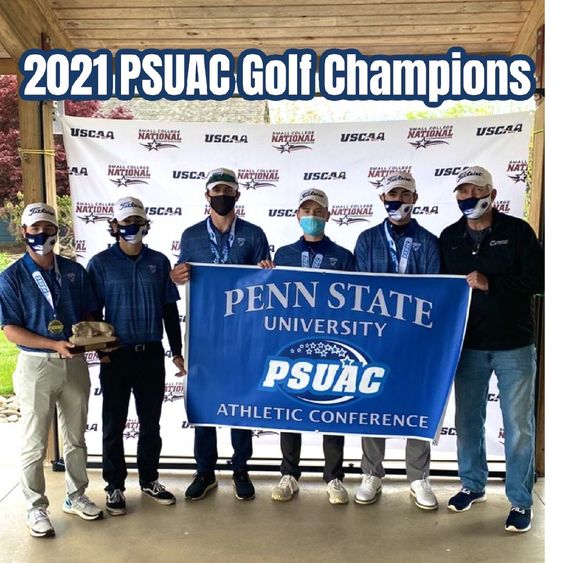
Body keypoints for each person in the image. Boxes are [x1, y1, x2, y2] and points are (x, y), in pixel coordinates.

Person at [439, 166, 543, 533]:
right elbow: (437, 288)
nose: (467, 197)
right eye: (461, 191)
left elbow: (540, 279)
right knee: (467, 422)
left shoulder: (517, 232)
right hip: (467, 345)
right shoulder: (449, 236)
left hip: (514, 343)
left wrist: (491, 283)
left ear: (492, 193)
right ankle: (472, 484)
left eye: (474, 190)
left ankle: (520, 501)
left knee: (518, 426)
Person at [0, 203, 103, 538]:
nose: (41, 235)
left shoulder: (74, 271)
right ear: (24, 233)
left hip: (74, 363)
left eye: (47, 229)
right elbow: (10, 330)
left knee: (75, 437)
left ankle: (75, 496)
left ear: (57, 232)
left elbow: (89, 313)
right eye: (34, 230)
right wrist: (52, 344)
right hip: (37, 365)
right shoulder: (11, 277)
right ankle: (35, 508)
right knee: (33, 441)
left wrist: (98, 342)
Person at [170, 167, 270, 501]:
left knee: (241, 400)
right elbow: (181, 275)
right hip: (204, 331)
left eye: (228, 190)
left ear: (237, 195)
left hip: (244, 332)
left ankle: (241, 468)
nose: (222, 195)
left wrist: (268, 272)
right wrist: (176, 275)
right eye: (216, 190)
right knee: (204, 401)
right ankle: (205, 471)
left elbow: (267, 283)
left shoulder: (254, 234)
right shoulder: (191, 235)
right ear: (207, 196)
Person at [87, 196, 186, 516]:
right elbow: (92, 312)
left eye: (137, 222)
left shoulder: (159, 261)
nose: (132, 227)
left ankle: (149, 479)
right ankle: (114, 486)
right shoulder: (100, 263)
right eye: (125, 222)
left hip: (150, 354)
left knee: (150, 423)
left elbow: (170, 309)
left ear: (145, 224)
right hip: (115, 355)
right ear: (114, 226)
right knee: (113, 423)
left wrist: (177, 352)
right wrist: (100, 351)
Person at [258, 188, 355, 505]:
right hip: (292, 341)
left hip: (333, 341)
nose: (312, 216)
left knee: (332, 407)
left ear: (328, 215)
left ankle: (335, 477)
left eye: (318, 210)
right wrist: (263, 277)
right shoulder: (283, 255)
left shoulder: (343, 256)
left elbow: (356, 298)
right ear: (297, 215)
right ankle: (289, 474)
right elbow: (272, 297)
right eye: (306, 210)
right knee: (291, 406)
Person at [353, 171, 440, 510]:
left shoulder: (429, 242)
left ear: (414, 199)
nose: (397, 201)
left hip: (416, 339)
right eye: (392, 195)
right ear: (381, 199)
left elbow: (434, 293)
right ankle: (371, 474)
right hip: (374, 339)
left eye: (404, 195)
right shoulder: (366, 240)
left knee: (417, 405)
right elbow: (360, 293)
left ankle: (418, 477)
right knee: (373, 402)